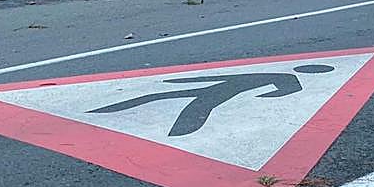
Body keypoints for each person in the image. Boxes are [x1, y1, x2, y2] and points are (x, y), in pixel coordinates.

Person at [88, 64, 335, 137]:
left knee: (197, 107)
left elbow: (285, 90)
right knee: (178, 101)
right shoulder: (283, 75)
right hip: (222, 87)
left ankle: (180, 133)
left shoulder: (283, 75)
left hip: (222, 89)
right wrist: (180, 82)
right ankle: (103, 110)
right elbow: (284, 90)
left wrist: (180, 83)